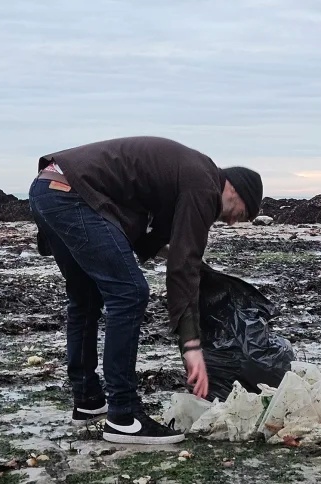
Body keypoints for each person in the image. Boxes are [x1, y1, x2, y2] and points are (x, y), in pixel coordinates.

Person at [28, 136, 262, 445]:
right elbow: (183, 263)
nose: (233, 222)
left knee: (85, 298)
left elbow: (160, 243)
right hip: (73, 194)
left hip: (49, 187)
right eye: (241, 213)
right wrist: (191, 346)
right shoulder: (205, 185)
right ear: (233, 188)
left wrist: (192, 266)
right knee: (130, 293)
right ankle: (123, 415)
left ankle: (88, 399)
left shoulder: (188, 174)